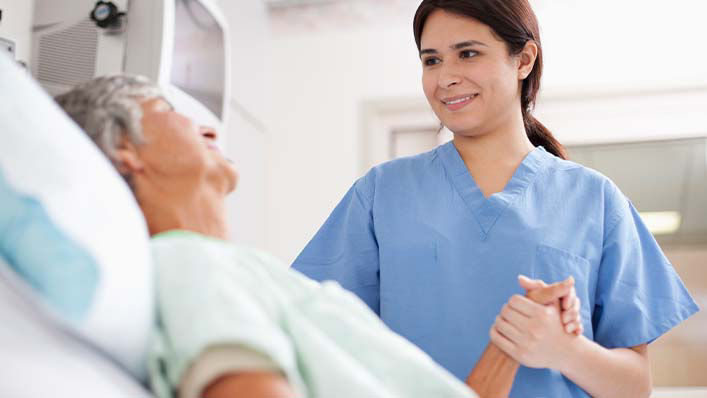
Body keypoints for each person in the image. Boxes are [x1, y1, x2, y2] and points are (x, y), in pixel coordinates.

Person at [54, 75, 582, 398]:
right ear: (127, 152)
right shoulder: (191, 266)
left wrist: (513, 337)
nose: (209, 127)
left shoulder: (245, 274)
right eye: (170, 113)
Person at [292, 0, 700, 397]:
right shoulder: (382, 194)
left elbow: (634, 386)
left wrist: (564, 350)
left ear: (523, 60)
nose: (445, 77)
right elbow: (312, 334)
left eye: (467, 53)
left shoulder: (594, 200)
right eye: (431, 60)